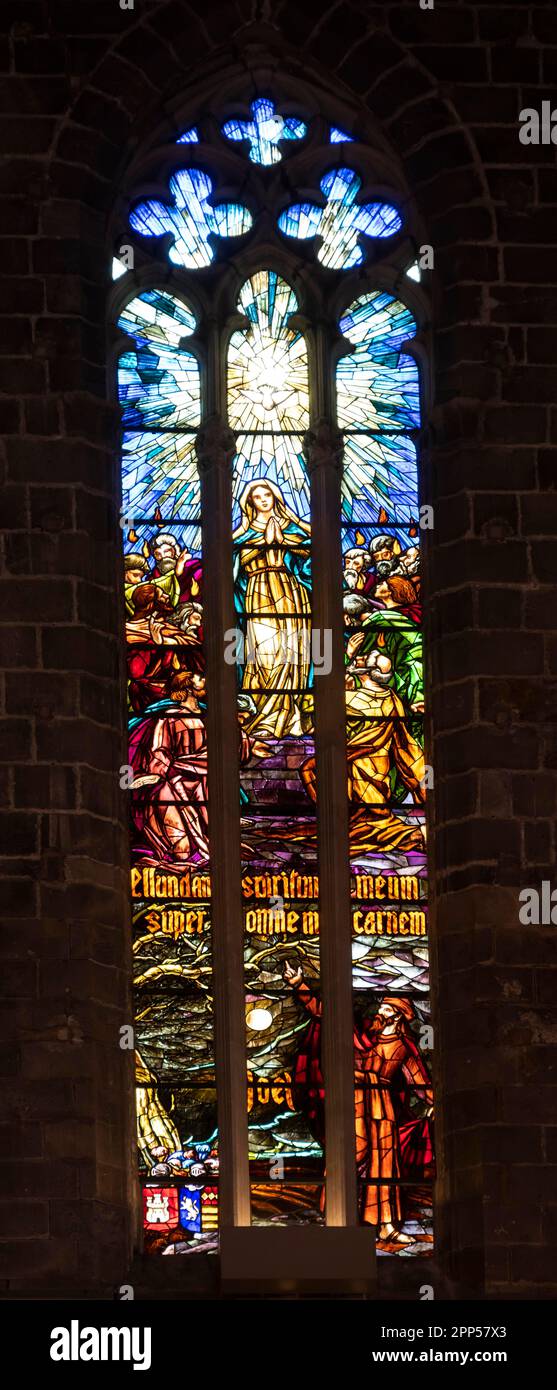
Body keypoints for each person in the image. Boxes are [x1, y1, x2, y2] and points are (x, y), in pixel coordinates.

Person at [283, 966, 434, 1244]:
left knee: (384, 1165)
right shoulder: (362, 1034)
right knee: (348, 1156)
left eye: (388, 1008)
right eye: (383, 1006)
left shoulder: (404, 1046)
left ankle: (386, 1226)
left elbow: (419, 1081)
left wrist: (438, 1104)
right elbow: (322, 1012)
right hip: (352, 1104)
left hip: (382, 1108)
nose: (382, 1011)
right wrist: (299, 984)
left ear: (399, 1016)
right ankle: (338, 1219)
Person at [233, 479, 312, 737]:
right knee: (264, 652)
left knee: (293, 651)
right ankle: (263, 713)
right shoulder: (242, 531)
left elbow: (318, 544)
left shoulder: (288, 525)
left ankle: (290, 714)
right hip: (258, 592)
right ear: (249, 502)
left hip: (290, 591)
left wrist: (292, 524)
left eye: (267, 494)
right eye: (257, 496)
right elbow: (228, 558)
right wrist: (262, 544)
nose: (264, 499)